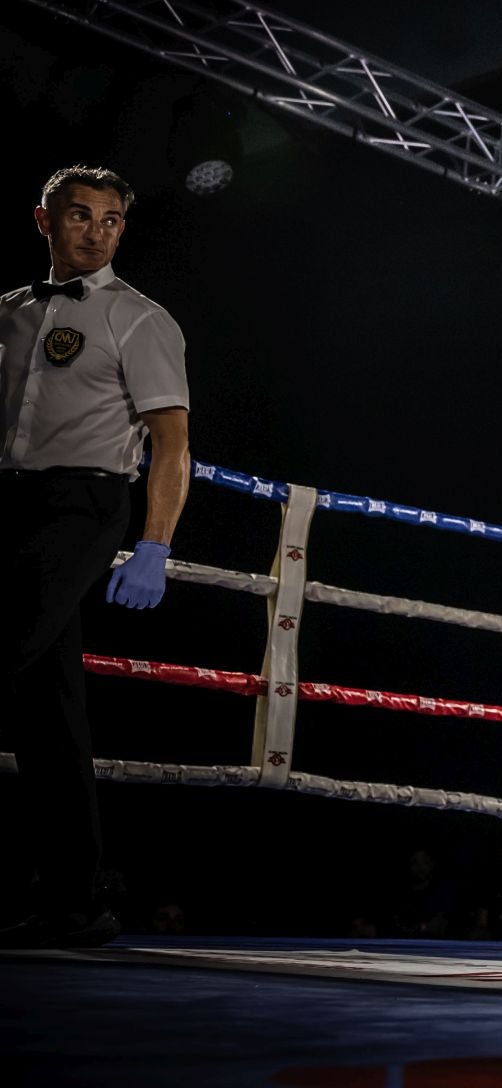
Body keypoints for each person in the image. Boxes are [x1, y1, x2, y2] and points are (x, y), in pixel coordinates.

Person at [0, 166, 189, 950]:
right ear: (45, 220)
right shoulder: (8, 313)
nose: (96, 231)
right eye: (80, 216)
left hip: (83, 508)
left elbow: (174, 444)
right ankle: (76, 903)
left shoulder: (141, 320)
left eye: (110, 221)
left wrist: (153, 544)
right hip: (8, 503)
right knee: (53, 716)